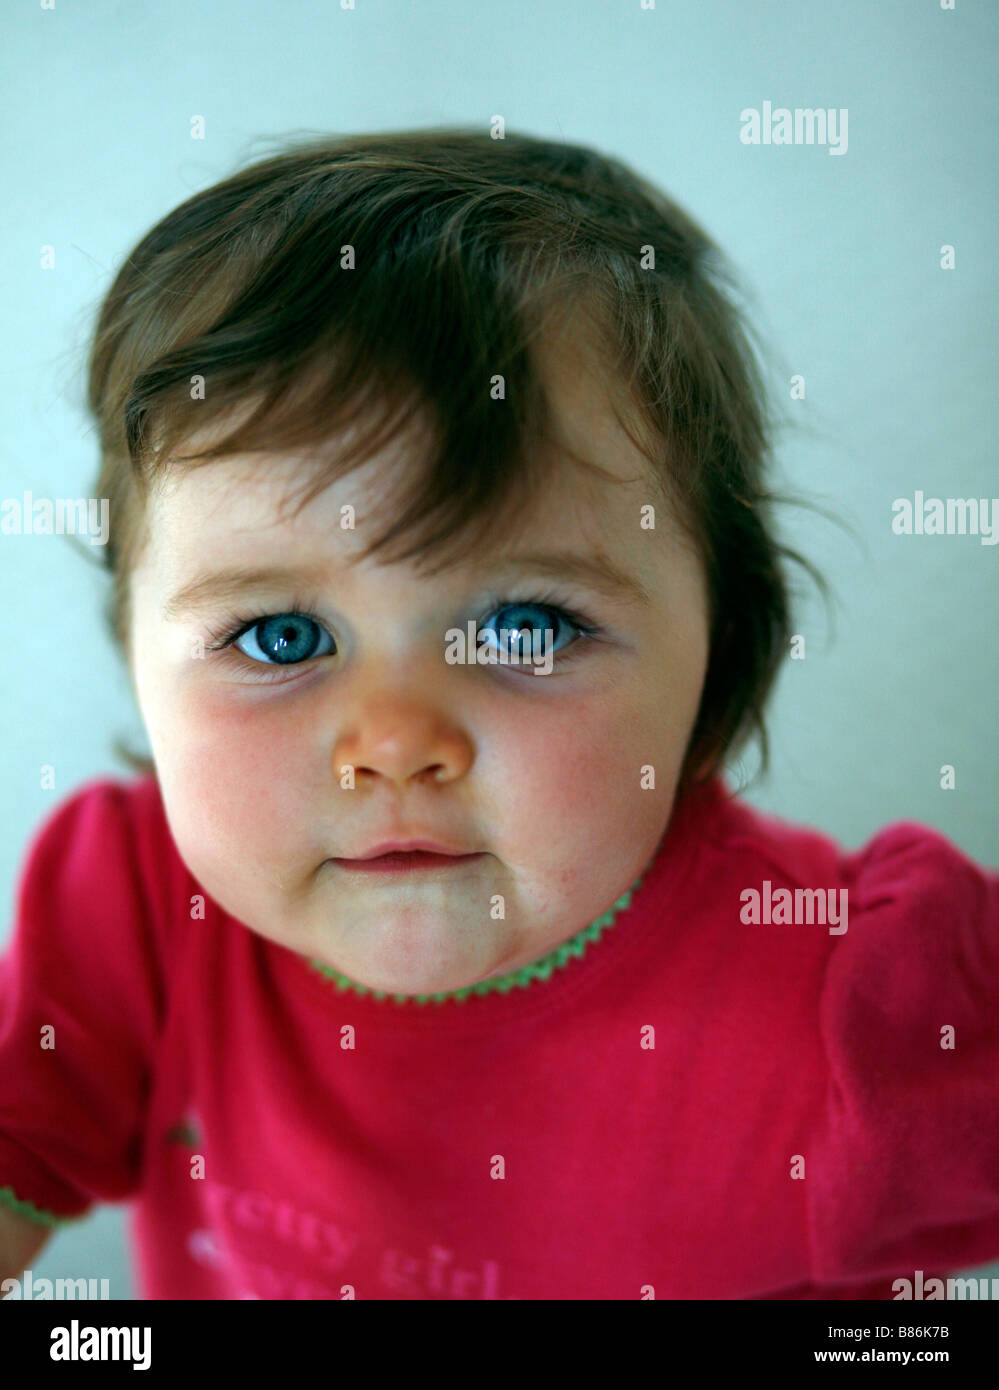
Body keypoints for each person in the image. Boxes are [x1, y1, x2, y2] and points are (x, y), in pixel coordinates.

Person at [1, 129, 996, 1300]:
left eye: (525, 628)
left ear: (719, 653)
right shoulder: (132, 918)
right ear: (136, 659)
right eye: (282, 637)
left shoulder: (858, 1015)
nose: (395, 742)